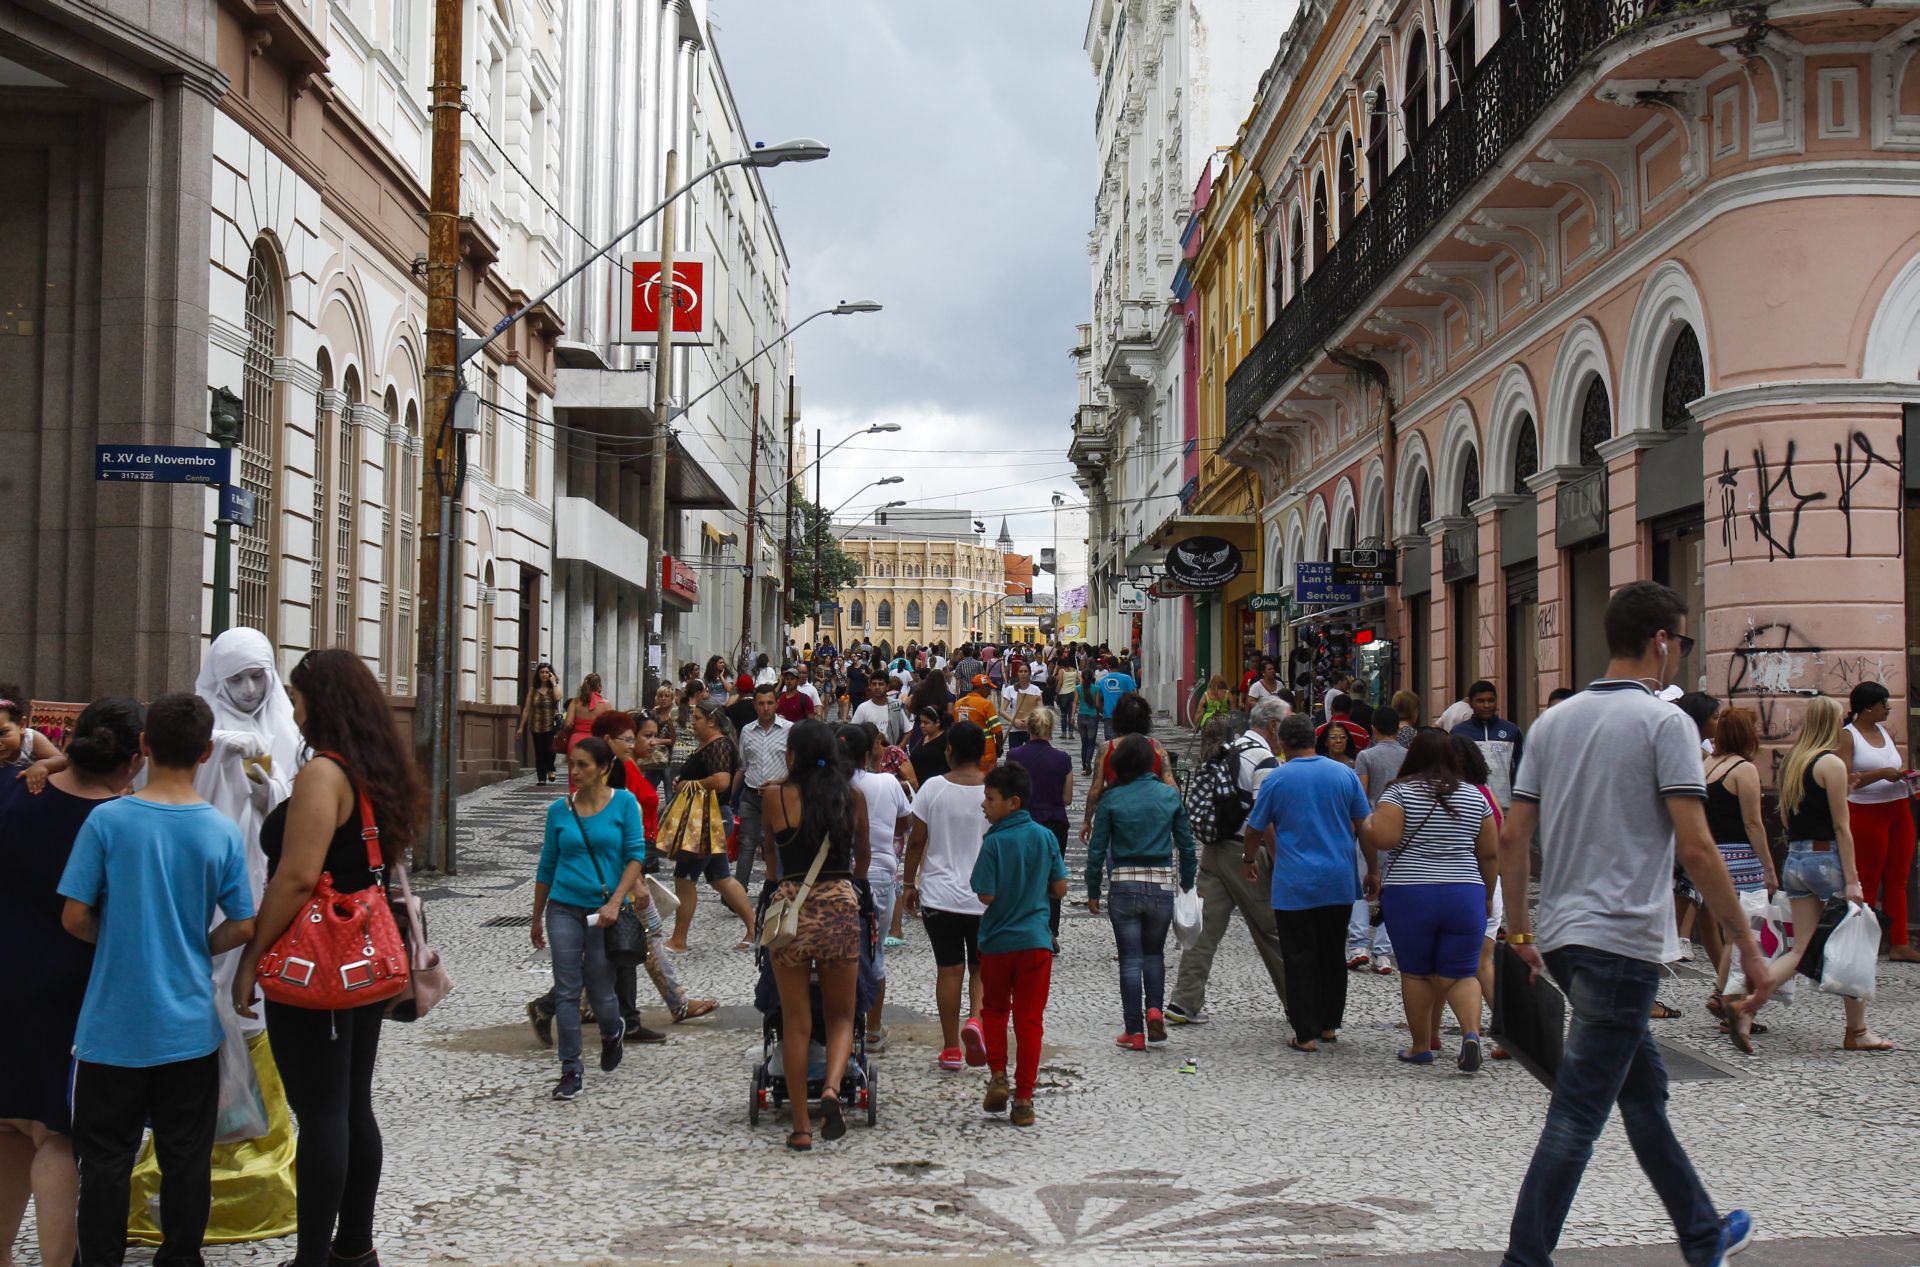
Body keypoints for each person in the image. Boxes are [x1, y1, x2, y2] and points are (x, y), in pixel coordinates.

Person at [1497, 580, 1768, 1267]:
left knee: (1644, 1091)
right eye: (1682, 640)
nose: (1680, 652)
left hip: (1564, 936)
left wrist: (1521, 932)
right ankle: (1523, 1259)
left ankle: (1703, 1233)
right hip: (1622, 938)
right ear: (1661, 642)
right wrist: (1745, 944)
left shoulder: (1554, 721)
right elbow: (1697, 843)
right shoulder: (1665, 723)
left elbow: (1514, 835)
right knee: (1576, 1117)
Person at [230, 651, 423, 1267]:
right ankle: (354, 1248)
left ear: (322, 702)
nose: (292, 705)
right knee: (351, 1104)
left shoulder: (324, 775)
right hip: (363, 959)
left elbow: (294, 878)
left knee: (322, 1113)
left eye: (297, 695)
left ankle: (313, 1258)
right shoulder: (375, 770)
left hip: (319, 962)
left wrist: (250, 957)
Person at [60, 693, 254, 1267]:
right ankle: (179, 1257)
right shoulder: (218, 831)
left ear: (143, 746)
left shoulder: (108, 819)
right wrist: (196, 944)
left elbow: (73, 916)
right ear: (204, 755)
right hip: (189, 1026)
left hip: (112, 1026)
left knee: (105, 1160)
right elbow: (242, 923)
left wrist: (118, 936)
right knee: (186, 1155)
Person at [0, 697, 143, 1267]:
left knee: (8, 1127)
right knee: (56, 1134)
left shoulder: (13, 793)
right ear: (133, 760)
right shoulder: (118, 823)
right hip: (73, 986)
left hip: (6, 972)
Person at [757, 721, 869, 1151]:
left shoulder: (773, 797)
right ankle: (832, 1088)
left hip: (792, 910)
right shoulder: (851, 797)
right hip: (839, 906)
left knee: (796, 1023)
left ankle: (801, 1128)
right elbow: (865, 858)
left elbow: (770, 862)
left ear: (792, 755)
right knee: (842, 1016)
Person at [1758, 694, 1892, 1051]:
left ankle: (1744, 1003)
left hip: (1797, 860)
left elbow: (1788, 817)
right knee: (1854, 942)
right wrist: (1853, 879)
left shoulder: (1793, 763)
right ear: (1831, 723)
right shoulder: (1830, 763)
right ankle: (1857, 1032)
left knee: (1800, 950)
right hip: (1826, 858)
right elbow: (1841, 826)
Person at [1361, 731, 1497, 1071]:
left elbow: (1384, 838)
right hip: (1464, 892)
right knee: (1464, 971)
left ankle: (1421, 1046)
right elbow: (1490, 854)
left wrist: (1367, 823)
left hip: (1411, 894)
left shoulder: (1399, 793)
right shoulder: (1474, 796)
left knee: (1417, 973)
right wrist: (1488, 895)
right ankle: (1470, 1035)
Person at [1242, 714, 1373, 1053]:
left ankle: (1305, 1033)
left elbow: (1256, 827)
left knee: (1298, 956)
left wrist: (1248, 859)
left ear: (1282, 744)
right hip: (1338, 879)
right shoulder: (1344, 774)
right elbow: (1365, 825)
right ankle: (1330, 1025)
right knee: (1331, 953)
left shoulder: (1277, 779)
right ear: (1315, 741)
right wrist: (1373, 869)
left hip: (1295, 883)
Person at [526, 737, 647, 1100]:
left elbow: (635, 856)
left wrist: (615, 902)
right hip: (562, 906)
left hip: (603, 911)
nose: (574, 772)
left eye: (583, 765)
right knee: (566, 989)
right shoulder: (559, 811)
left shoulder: (625, 804)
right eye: (571, 764)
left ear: (604, 767)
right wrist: (535, 917)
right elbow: (547, 865)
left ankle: (612, 1031)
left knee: (599, 988)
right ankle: (571, 1069)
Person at [1168, 705, 1288, 1025]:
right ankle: (1299, 1004)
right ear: (1273, 726)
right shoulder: (1263, 759)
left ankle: (1184, 1001)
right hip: (1244, 854)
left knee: (1203, 931)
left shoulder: (1230, 747)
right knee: (1272, 930)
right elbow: (1266, 818)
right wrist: (1278, 859)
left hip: (1213, 849)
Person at [970, 762, 1068, 1126]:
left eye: (989, 798)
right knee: (1030, 1020)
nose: (984, 804)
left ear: (1012, 802)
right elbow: (1060, 888)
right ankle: (1024, 1099)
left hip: (997, 943)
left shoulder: (993, 842)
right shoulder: (1044, 837)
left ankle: (998, 1076)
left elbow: (985, 894)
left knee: (994, 1011)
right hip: (1036, 943)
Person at [1086, 734, 1197, 1049]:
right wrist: (1187, 883)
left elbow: (1096, 851)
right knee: (1154, 954)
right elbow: (1187, 846)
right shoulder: (1169, 796)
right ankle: (1154, 1011)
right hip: (1161, 884)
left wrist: (1093, 888)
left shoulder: (1111, 799)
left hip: (1124, 885)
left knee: (1130, 959)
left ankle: (1133, 1031)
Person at [903, 720, 991, 1071]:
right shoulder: (994, 790)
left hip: (940, 895)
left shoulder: (932, 789)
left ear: (949, 750)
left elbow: (916, 840)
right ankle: (976, 1022)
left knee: (949, 970)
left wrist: (909, 883)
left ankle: (951, 1047)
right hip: (985, 898)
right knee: (981, 969)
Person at [1700, 708, 1779, 1051]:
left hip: (1711, 857)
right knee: (1744, 929)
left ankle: (1722, 995)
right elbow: (1753, 824)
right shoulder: (1743, 769)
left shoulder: (1706, 766)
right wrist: (1769, 867)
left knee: (1731, 931)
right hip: (1740, 857)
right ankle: (1732, 1000)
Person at [661, 699, 756, 952]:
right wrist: (686, 779)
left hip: (708, 818)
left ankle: (679, 940)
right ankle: (754, 930)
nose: (692, 722)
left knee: (685, 877)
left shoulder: (719, 745)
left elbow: (722, 781)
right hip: (709, 817)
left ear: (711, 720)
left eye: (697, 718)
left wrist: (688, 784)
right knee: (720, 878)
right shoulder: (711, 745)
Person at [1837, 681, 1918, 963]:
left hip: (1898, 809)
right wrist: (1880, 774)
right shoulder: (1848, 736)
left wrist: (1906, 776)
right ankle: (1862, 943)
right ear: (1868, 707)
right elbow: (1845, 780)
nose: (1888, 708)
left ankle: (1899, 942)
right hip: (1866, 812)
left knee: (1898, 879)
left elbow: (1892, 767)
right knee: (1867, 880)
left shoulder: (1884, 731)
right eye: (1884, 703)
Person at [843, 723, 911, 1052]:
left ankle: (837, 1023)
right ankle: (872, 1030)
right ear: (870, 749)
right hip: (879, 872)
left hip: (838, 874)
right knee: (874, 950)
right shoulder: (887, 783)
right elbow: (904, 822)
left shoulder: (830, 784)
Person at [1347, 706, 1409, 973]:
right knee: (1391, 889)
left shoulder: (1366, 756)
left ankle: (1359, 945)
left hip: (1371, 824)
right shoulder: (1409, 756)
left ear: (1373, 729)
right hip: (1401, 826)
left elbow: (1360, 794)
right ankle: (1384, 952)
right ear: (1398, 729)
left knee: (1361, 887)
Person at [1007, 707, 1073, 944]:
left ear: (1028, 727)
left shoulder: (1014, 756)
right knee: (1053, 875)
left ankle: (1024, 926)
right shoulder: (1063, 759)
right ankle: (1050, 931)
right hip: (1055, 822)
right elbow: (1067, 798)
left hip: (1023, 821)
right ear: (1051, 729)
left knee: (1022, 875)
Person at [1079, 693, 1177, 843]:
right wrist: (1179, 818)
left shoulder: (1107, 749)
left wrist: (1087, 821)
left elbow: (1096, 789)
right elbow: (1171, 785)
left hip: (1118, 817)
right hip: (1152, 817)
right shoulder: (1156, 747)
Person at [734, 684, 793, 891]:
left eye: (769, 703)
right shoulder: (747, 731)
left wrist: (781, 783)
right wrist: (731, 797)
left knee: (777, 845)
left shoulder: (789, 730)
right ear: (754, 705)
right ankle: (738, 891)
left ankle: (777, 888)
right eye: (761, 704)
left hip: (778, 797)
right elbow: (742, 766)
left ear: (776, 704)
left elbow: (796, 768)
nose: (766, 708)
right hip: (751, 794)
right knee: (747, 844)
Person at [1451, 680, 1524, 808]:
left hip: (1504, 806)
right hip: (1469, 806)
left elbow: (1520, 768)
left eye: (1491, 700)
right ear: (1471, 703)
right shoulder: (1458, 732)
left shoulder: (1512, 730)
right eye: (1480, 701)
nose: (1486, 705)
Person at [0, 690, 66, 790]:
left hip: (36, 789)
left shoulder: (31, 739)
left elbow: (63, 761)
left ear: (21, 725)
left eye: (2, 733)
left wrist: (43, 765)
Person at [517, 663, 563, 784]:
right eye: (542, 672)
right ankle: (541, 778)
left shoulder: (553, 688)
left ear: (550, 674)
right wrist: (521, 727)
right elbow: (527, 709)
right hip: (536, 725)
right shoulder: (533, 690)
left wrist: (554, 683)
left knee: (550, 750)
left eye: (547, 672)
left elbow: (558, 698)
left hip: (551, 724)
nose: (544, 674)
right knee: (539, 751)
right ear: (538, 674)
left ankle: (550, 768)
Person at [953, 675, 1002, 768]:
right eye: (988, 688)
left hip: (963, 753)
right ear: (982, 687)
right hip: (984, 754)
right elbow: (998, 733)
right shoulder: (986, 704)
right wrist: (999, 748)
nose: (989, 693)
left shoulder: (958, 704)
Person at [560, 673, 609, 763]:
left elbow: (568, 724)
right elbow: (612, 727)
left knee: (576, 773)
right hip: (596, 742)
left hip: (576, 742)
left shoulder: (575, 702)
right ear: (600, 687)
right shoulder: (606, 705)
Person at [1000, 662, 1043, 750]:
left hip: (1031, 729)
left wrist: (1030, 720)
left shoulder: (1035, 690)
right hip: (1015, 729)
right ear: (1018, 673)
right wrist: (1014, 721)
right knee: (1014, 757)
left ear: (1030, 673)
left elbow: (1041, 710)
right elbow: (1002, 710)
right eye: (1021, 671)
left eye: (1025, 671)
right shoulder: (1010, 689)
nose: (1023, 674)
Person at [852, 674, 905, 745]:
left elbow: (908, 730)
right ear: (869, 686)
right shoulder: (862, 708)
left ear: (887, 687)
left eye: (880, 684)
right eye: (874, 684)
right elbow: (853, 732)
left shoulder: (895, 706)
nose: (877, 687)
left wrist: (898, 749)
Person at [1096, 658, 1138, 740]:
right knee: (1125, 743)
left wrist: (1103, 710)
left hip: (1109, 715)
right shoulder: (1127, 678)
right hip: (1125, 715)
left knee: (1111, 744)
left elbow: (1097, 703)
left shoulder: (1101, 681)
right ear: (1119, 665)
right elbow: (1134, 696)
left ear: (1108, 666)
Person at [1074, 670, 1103, 774]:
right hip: (1092, 717)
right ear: (1092, 678)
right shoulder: (1097, 688)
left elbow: (1075, 702)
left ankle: (1084, 766)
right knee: (1091, 743)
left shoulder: (1078, 688)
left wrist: (1072, 716)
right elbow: (1097, 704)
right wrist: (1101, 712)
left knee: (1084, 743)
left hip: (1081, 716)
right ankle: (1088, 763)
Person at [1053, 656, 1080, 740]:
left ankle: (1064, 733)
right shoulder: (1075, 670)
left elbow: (1060, 683)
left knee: (1063, 715)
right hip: (1073, 693)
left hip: (1063, 694)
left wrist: (1056, 692)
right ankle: (1071, 733)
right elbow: (1080, 680)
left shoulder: (1062, 671)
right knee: (1071, 714)